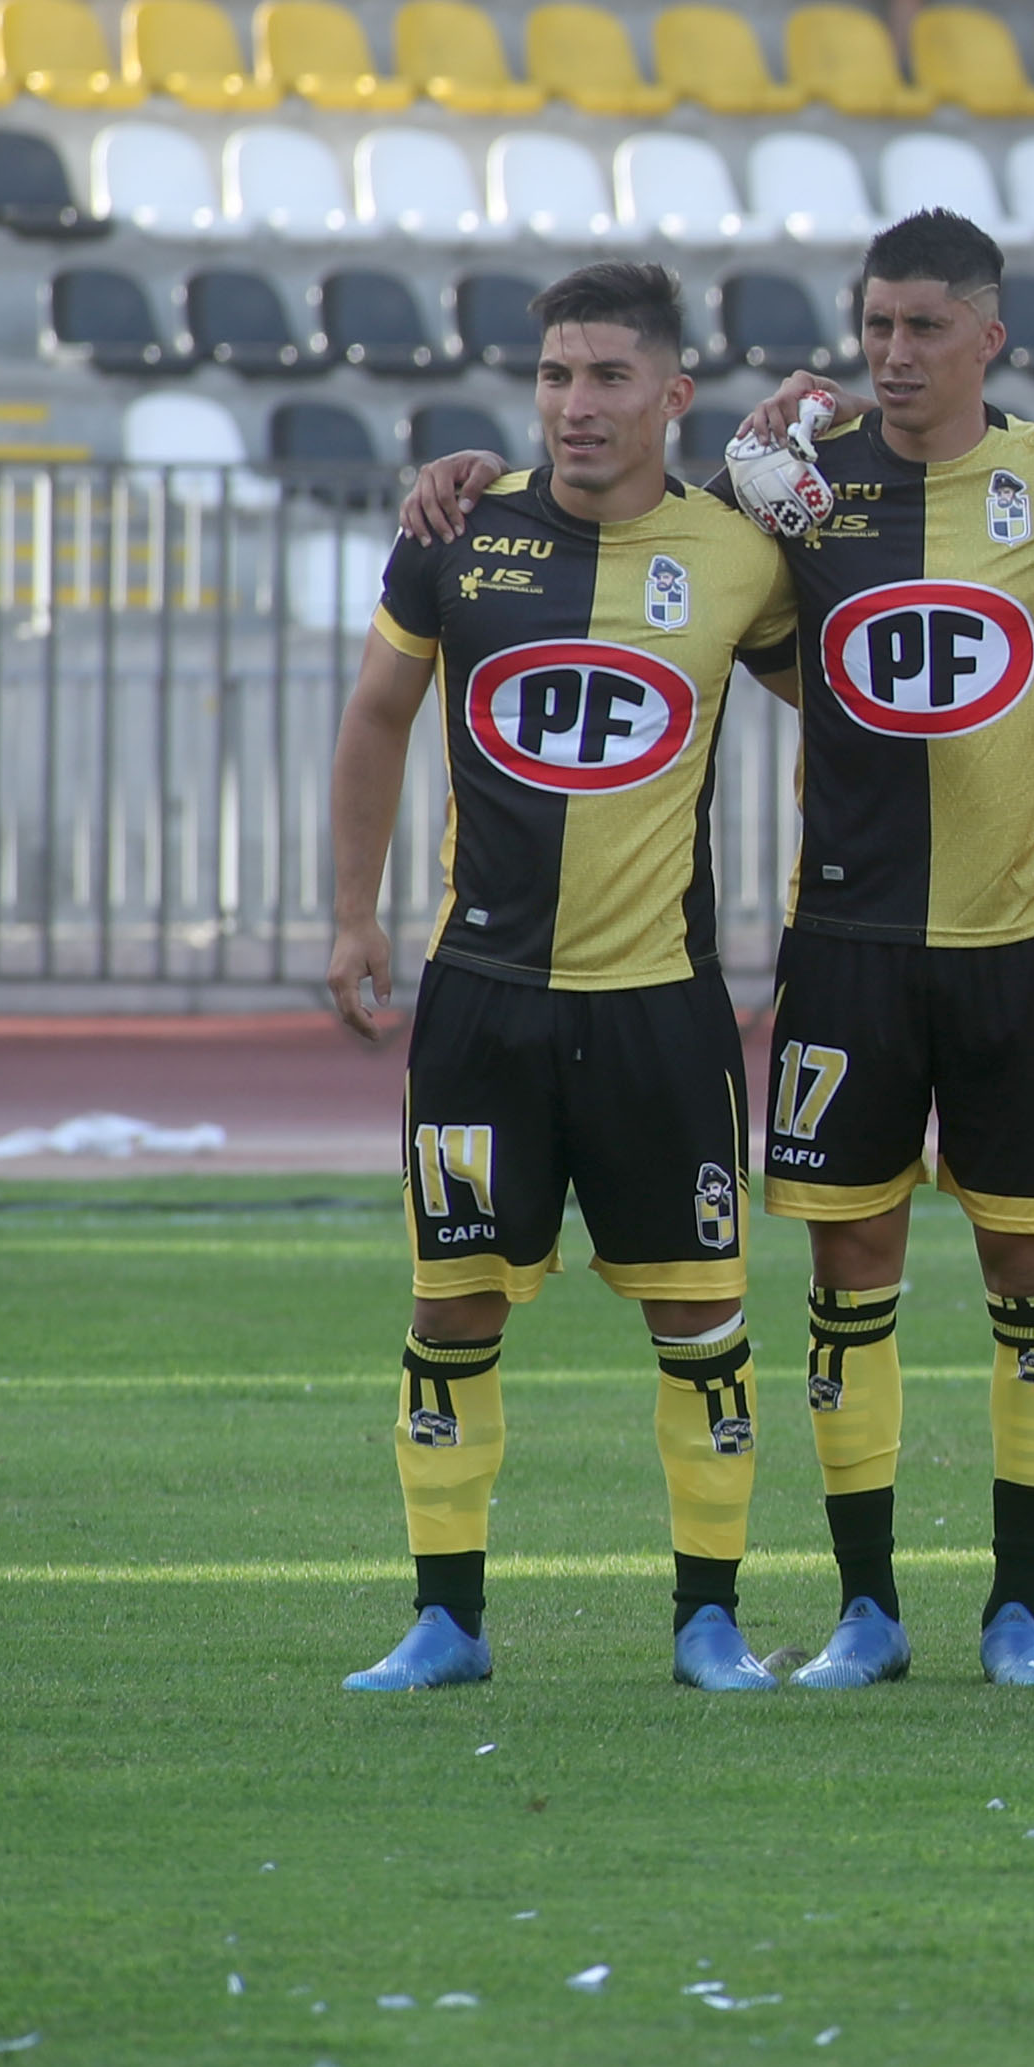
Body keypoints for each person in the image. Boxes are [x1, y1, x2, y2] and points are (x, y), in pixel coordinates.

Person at [380, 222, 1034, 1687]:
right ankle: (866, 1611)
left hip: (1019, 940)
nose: (896, 352)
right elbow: (799, 664)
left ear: (988, 338)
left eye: (927, 328)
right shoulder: (788, 500)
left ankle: (1019, 1611)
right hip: (846, 945)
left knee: (1032, 1273)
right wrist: (451, 477)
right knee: (847, 1273)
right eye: (877, 324)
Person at [314, 265, 801, 1695]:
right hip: (483, 1003)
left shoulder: (738, 555)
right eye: (553, 376)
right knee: (452, 1306)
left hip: (661, 1007)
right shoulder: (460, 533)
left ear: (673, 393)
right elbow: (376, 716)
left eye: (605, 377)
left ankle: (707, 1621)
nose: (575, 405)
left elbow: (849, 702)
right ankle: (446, 1623)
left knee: (701, 1316)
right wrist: (354, 917)